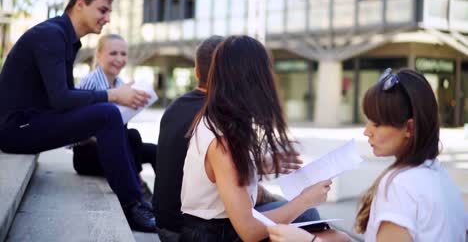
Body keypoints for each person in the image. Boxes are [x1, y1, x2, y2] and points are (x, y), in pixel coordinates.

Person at [0, 0, 156, 232]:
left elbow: (65, 97)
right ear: (80, 4)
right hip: (16, 129)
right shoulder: (51, 35)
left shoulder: (64, 37)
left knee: (118, 125)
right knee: (106, 113)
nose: (106, 19)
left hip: (34, 120)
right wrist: (113, 95)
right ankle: (132, 205)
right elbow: (62, 99)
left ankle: (137, 199)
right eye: (102, 10)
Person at [178, 35, 350, 242]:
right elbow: (249, 231)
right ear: (254, 79)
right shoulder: (223, 140)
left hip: (215, 229)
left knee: (324, 230)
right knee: (336, 238)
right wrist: (304, 200)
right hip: (217, 235)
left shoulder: (219, 118)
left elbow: (219, 174)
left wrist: (257, 165)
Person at [266, 68, 467, 242]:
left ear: (409, 127)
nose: (366, 131)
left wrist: (309, 241)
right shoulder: (437, 174)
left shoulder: (400, 185)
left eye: (377, 123)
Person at [73, 34, 156, 202]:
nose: (119, 59)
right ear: (98, 55)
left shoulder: (120, 84)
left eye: (123, 54)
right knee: (131, 137)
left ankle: (166, 204)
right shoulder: (89, 83)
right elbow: (72, 134)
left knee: (155, 151)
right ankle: (138, 186)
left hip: (115, 149)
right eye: (113, 53)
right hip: (87, 155)